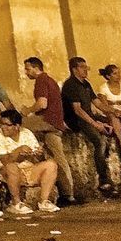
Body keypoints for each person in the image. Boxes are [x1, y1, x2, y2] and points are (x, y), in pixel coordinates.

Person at [61, 56, 121, 195]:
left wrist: (113, 111)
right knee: (99, 142)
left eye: (86, 67)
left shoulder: (86, 84)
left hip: (88, 115)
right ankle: (103, 180)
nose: (86, 70)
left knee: (116, 124)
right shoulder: (70, 85)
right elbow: (78, 110)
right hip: (76, 120)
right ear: (74, 69)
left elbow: (97, 103)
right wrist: (96, 124)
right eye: (82, 67)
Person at [21, 57, 77, 205]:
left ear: (35, 67)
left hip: (48, 121)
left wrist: (27, 110)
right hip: (55, 124)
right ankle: (68, 194)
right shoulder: (50, 80)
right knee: (58, 157)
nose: (26, 72)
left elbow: (42, 104)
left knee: (16, 124)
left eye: (27, 69)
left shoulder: (41, 80)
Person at [0, 109, 60, 215]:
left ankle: (44, 201)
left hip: (28, 169)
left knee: (51, 164)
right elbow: (4, 162)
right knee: (11, 167)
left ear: (17, 126)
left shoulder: (26, 133)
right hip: (7, 173)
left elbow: (38, 158)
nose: (3, 127)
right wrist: (18, 151)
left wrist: (38, 153)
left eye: (7, 125)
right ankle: (16, 203)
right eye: (2, 124)